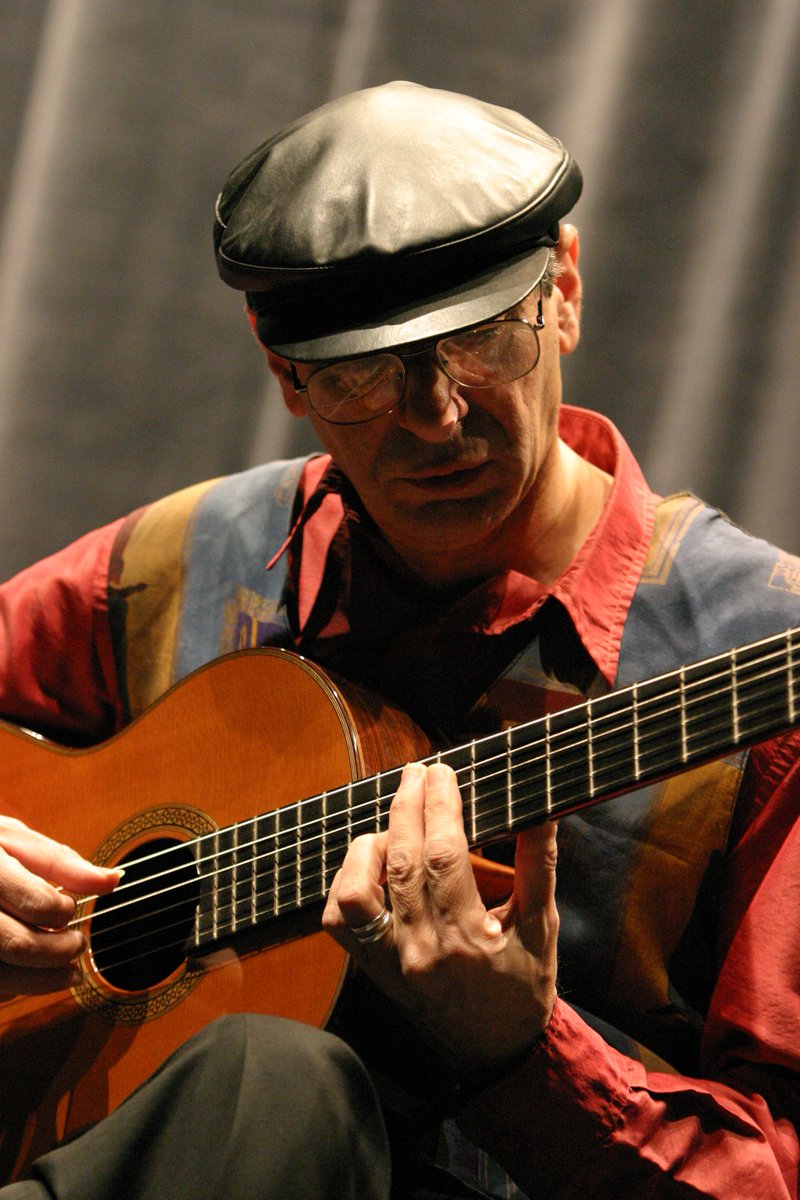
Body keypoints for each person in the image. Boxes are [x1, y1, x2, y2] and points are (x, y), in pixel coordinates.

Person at [0, 80, 798, 1199]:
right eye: (366, 374)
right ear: (284, 372)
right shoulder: (179, 561)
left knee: (270, 1076)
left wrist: (519, 1051)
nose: (434, 416)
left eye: (480, 340)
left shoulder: (762, 649)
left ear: (561, 290)